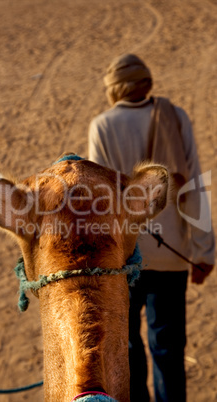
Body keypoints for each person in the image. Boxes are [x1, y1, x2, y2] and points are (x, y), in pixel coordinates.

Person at [88, 54, 215, 402]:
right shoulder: (176, 117)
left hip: (123, 259)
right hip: (172, 256)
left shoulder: (102, 126)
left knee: (127, 349)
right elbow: (194, 190)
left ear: (114, 89)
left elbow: (100, 203)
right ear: (146, 83)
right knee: (169, 349)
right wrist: (203, 251)